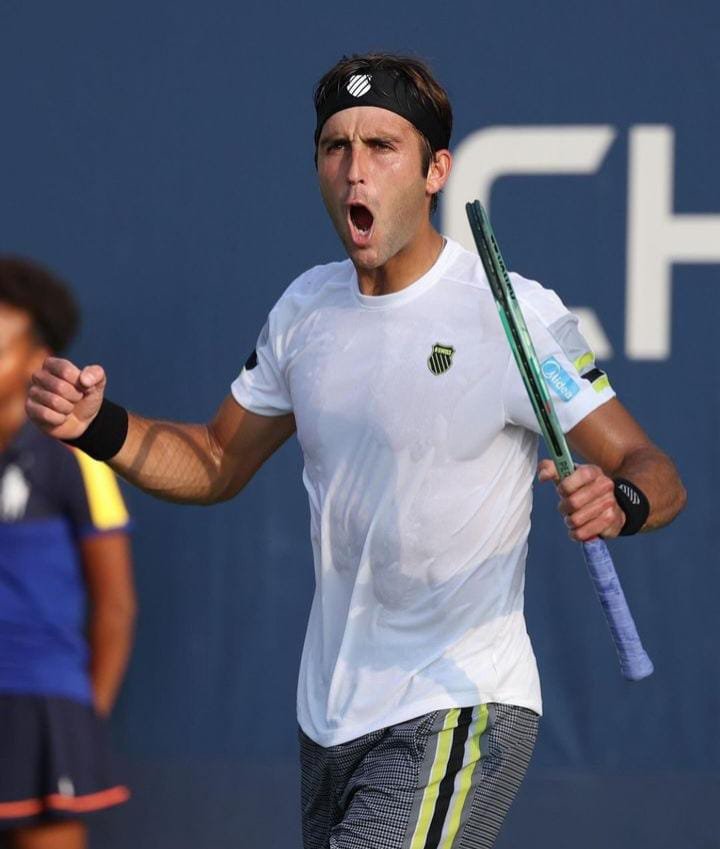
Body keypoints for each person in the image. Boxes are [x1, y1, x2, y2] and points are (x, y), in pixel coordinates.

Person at [26, 53, 686, 849]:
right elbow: (212, 461)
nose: (354, 171)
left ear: (436, 168)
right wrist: (100, 425)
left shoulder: (514, 314)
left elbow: (653, 468)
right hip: (330, 715)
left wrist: (623, 501)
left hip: (461, 701)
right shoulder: (305, 310)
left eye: (382, 146)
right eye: (336, 147)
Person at [0, 257, 135, 849]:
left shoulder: (75, 459)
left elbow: (115, 608)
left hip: (43, 709)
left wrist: (80, 720)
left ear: (36, 360)